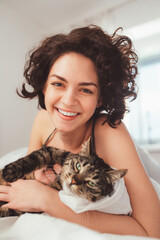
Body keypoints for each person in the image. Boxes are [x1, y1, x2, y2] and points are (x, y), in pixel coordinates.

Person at [0, 25, 160, 237]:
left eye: (85, 90)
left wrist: (49, 200)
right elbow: (27, 182)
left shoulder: (109, 131)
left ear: (100, 98)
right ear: (44, 87)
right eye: (58, 84)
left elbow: (151, 230)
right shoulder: (42, 120)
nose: (68, 101)